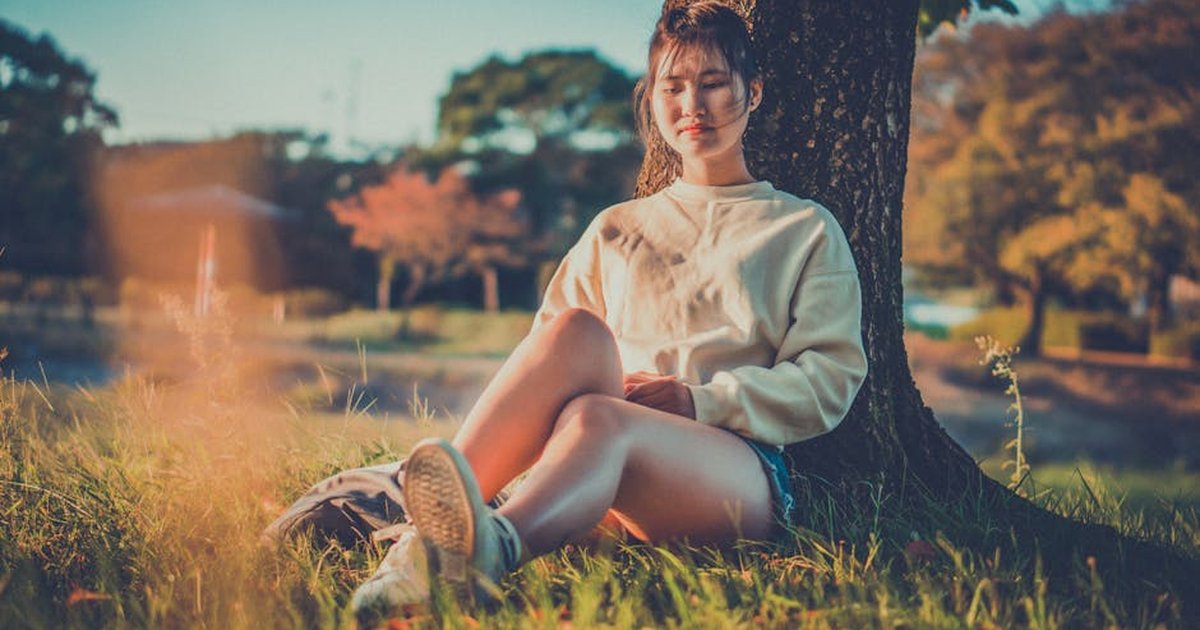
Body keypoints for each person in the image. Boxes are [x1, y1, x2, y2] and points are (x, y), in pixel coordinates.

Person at [350, 1, 868, 614]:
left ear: (752, 92)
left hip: (735, 469)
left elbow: (830, 380)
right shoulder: (615, 228)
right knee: (572, 332)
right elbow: (543, 366)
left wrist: (699, 400)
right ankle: (424, 546)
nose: (692, 107)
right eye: (672, 87)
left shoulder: (804, 227)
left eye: (713, 84)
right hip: (600, 447)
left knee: (603, 418)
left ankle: (490, 548)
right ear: (651, 99)